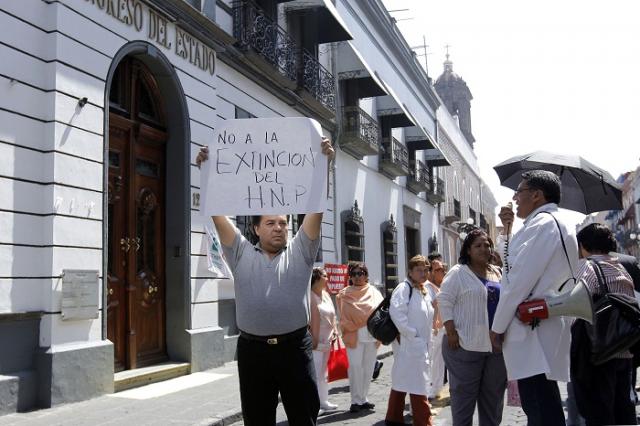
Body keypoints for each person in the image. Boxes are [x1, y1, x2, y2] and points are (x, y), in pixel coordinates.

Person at [195, 137, 335, 426]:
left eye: (283, 223)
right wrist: (205, 173)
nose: (278, 228)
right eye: (270, 223)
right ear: (256, 229)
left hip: (295, 350)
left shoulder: (300, 251)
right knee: (257, 421)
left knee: (303, 419)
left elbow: (317, 210)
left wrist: (324, 166)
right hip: (253, 353)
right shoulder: (240, 251)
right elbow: (217, 214)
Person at [492, 170, 579, 426]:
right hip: (539, 328)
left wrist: (497, 327)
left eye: (519, 192)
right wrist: (507, 230)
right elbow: (512, 266)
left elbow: (517, 283)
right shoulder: (542, 224)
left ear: (537, 195)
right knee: (540, 405)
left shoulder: (543, 225)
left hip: (534, 330)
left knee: (541, 409)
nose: (515, 198)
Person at [437, 229, 507, 426]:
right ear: (468, 250)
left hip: (496, 347)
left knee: (493, 401)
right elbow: (444, 299)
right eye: (478, 245)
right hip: (464, 346)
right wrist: (450, 332)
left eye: (487, 245)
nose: (483, 248)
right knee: (463, 402)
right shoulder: (459, 272)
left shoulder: (497, 272)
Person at [570, 223, 637, 426]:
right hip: (623, 350)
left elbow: (577, 302)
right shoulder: (621, 268)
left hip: (598, 354)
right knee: (623, 412)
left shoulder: (588, 266)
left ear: (582, 245)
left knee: (599, 414)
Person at [385, 255, 435, 426]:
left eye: (426, 269)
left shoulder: (423, 289)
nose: (423, 273)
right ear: (410, 272)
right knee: (418, 384)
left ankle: (393, 419)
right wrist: (412, 334)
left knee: (404, 381)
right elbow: (396, 313)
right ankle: (423, 422)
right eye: (419, 270)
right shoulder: (404, 288)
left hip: (419, 345)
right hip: (410, 345)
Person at [336, 262, 383, 413]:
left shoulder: (374, 292)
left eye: (360, 273)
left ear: (366, 275)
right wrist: (358, 322)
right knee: (355, 367)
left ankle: (363, 398)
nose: (357, 277)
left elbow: (381, 312)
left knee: (368, 369)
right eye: (354, 274)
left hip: (372, 335)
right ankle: (355, 400)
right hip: (354, 335)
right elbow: (342, 317)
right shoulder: (344, 294)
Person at [309, 267, 339, 414]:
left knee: (323, 373)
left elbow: (333, 315)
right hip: (315, 341)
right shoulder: (309, 296)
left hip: (327, 340)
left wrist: (335, 330)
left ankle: (323, 401)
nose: (328, 278)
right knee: (314, 373)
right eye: (325, 276)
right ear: (317, 278)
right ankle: (313, 404)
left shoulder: (326, 295)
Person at [426, 256, 446, 399]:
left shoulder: (444, 285)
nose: (442, 272)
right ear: (431, 272)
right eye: (438, 269)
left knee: (445, 360)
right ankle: (433, 389)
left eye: (443, 269)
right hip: (433, 329)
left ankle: (442, 388)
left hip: (446, 326)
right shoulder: (426, 287)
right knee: (434, 360)